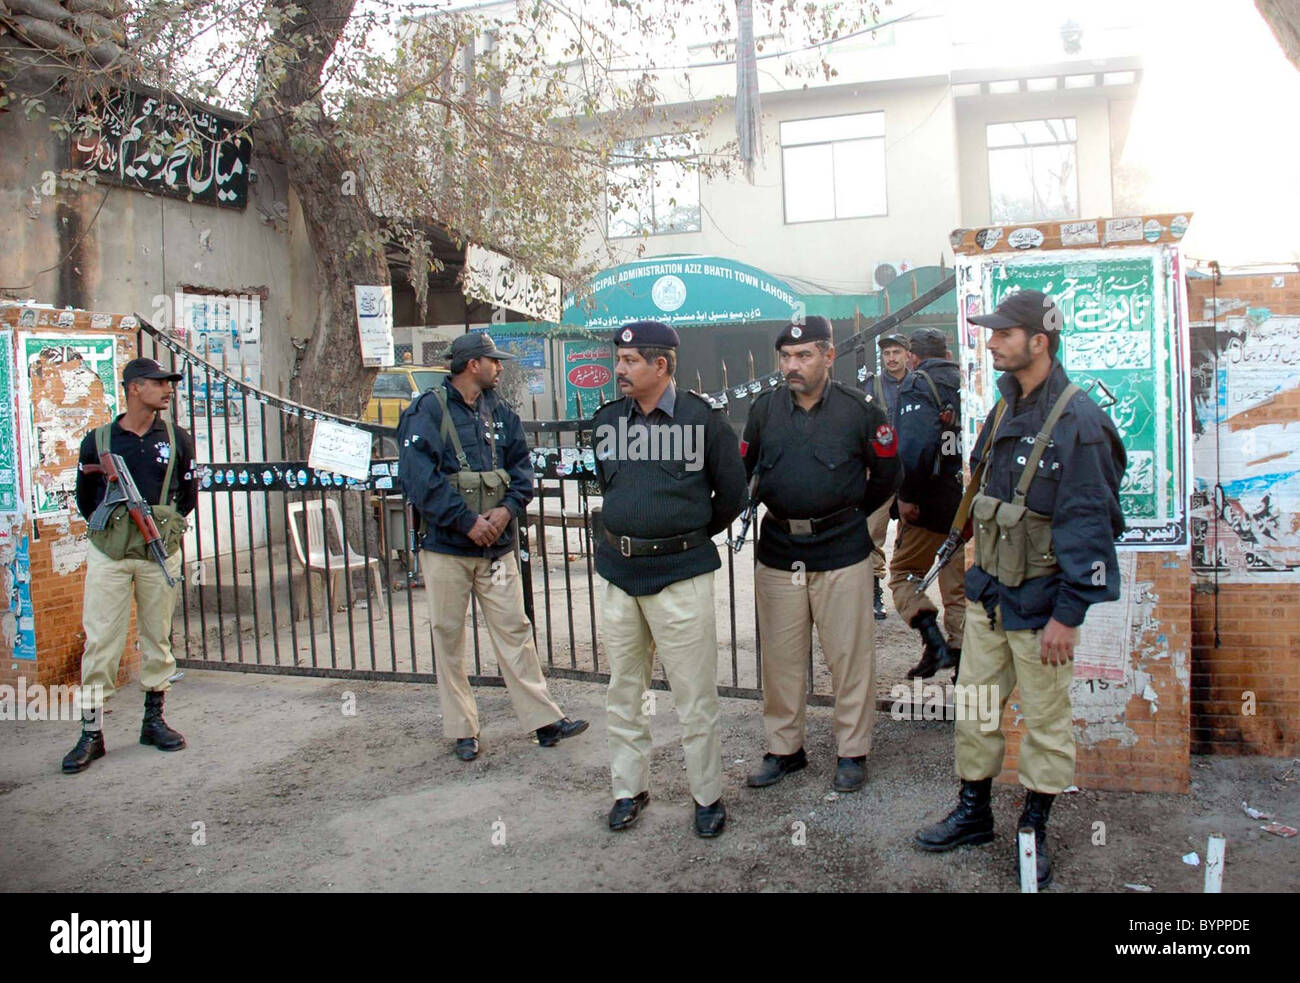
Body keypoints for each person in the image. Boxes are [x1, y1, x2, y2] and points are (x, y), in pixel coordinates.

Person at [914, 290, 1126, 889]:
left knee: (1046, 723)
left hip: (1043, 610)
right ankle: (974, 813)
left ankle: (1033, 830)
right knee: (976, 709)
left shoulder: (1080, 421)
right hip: (990, 596)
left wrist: (1070, 614)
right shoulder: (1005, 408)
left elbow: (1090, 525)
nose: (992, 341)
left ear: (1041, 340)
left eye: (1005, 333)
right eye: (992, 331)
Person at [398, 332, 587, 762]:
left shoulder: (500, 412)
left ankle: (543, 721)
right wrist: (465, 522)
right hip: (447, 547)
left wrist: (504, 512)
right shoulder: (427, 412)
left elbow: (522, 469)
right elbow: (418, 478)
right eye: (492, 361)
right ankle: (463, 729)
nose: (500, 367)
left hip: (496, 548)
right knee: (449, 636)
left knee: (515, 631)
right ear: (471, 365)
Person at [592, 320, 746, 838]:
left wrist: (684, 537)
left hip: (680, 576)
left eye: (631, 362)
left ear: (661, 365)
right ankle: (628, 789)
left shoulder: (704, 422)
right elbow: (610, 488)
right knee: (623, 692)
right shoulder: (609, 421)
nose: (620, 369)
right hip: (619, 575)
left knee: (694, 696)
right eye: (618, 359)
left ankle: (707, 797)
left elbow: (732, 495)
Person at [742, 316, 900, 793]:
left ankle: (852, 752)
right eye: (786, 357)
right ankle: (784, 750)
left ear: (829, 356)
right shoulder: (764, 410)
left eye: (804, 355)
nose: (793, 365)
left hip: (842, 551)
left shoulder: (861, 410)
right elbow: (743, 471)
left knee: (849, 658)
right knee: (782, 660)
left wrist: (847, 519)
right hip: (779, 551)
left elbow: (888, 478)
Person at [63, 357, 199, 774]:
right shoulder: (99, 440)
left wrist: (162, 528)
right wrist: (114, 529)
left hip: (158, 550)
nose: (168, 389)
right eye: (160, 383)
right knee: (101, 639)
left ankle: (153, 721)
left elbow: (187, 494)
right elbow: (86, 495)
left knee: (157, 637)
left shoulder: (177, 439)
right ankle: (91, 733)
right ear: (134, 388)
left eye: (169, 383)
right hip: (110, 553)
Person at [892, 327, 965, 680]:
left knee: (903, 574)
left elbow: (913, 449)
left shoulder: (917, 383)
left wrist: (905, 496)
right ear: (947, 354)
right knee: (958, 587)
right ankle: (962, 669)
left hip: (927, 500)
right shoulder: (969, 379)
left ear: (913, 356)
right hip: (964, 498)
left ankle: (934, 641)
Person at [861, 332, 911, 619]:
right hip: (882, 471)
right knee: (872, 533)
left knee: (913, 533)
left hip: (913, 471)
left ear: (907, 354)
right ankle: (874, 590)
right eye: (887, 353)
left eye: (896, 352)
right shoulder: (872, 385)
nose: (891, 358)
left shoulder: (919, 383)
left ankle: (908, 589)